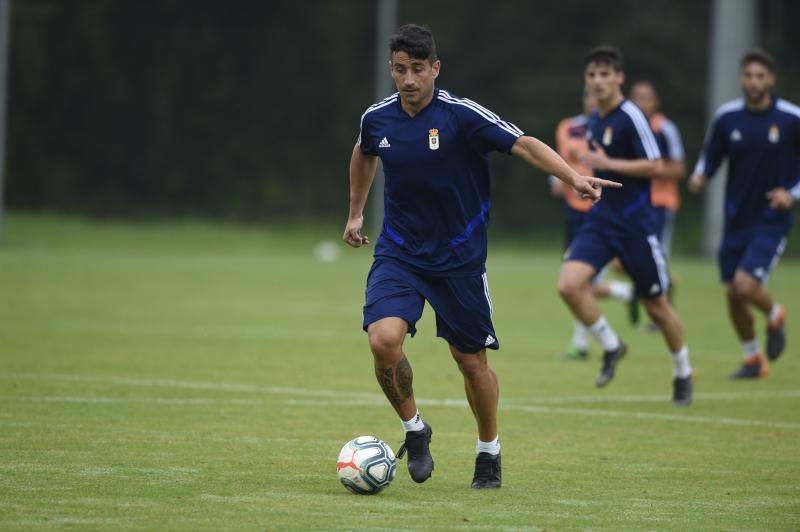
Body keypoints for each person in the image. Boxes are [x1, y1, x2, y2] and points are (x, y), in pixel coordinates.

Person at [342, 25, 620, 489]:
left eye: (416, 69)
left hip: (459, 261)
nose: (408, 80)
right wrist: (354, 214)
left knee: (470, 362)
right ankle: (415, 429)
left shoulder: (461, 116)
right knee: (382, 341)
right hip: (400, 254)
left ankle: (488, 450)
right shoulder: (379, 119)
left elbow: (525, 143)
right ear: (391, 69)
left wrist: (574, 177)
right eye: (399, 70)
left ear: (435, 69)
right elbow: (363, 152)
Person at [557, 46, 694, 406]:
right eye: (592, 75)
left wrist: (608, 162)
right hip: (601, 223)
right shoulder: (596, 120)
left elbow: (655, 165)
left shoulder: (631, 115)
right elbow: (604, 171)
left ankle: (683, 370)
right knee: (569, 285)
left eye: (605, 74)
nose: (598, 81)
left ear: (619, 78)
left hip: (636, 226)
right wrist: (590, 183)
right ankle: (612, 346)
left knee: (656, 307)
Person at [689, 48, 798, 379]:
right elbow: (711, 155)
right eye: (748, 76)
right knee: (733, 294)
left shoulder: (792, 118)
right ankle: (753, 359)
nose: (753, 82)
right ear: (741, 79)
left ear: (771, 80)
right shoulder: (727, 117)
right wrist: (700, 175)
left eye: (760, 76)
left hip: (771, 219)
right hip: (736, 217)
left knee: (745, 285)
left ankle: (775, 313)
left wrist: (791, 194)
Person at [550, 88, 638, 361]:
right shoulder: (568, 128)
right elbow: (560, 161)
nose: (593, 100)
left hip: (602, 212)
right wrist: (556, 180)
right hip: (574, 213)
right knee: (578, 283)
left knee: (578, 283)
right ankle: (630, 292)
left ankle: (582, 344)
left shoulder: (616, 127)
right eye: (588, 95)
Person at [630, 81, 686, 329]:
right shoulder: (626, 125)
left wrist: (649, 168)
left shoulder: (665, 128)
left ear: (656, 102)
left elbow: (679, 168)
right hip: (632, 204)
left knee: (658, 257)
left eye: (647, 98)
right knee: (627, 257)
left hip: (660, 203)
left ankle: (661, 313)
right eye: (637, 98)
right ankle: (637, 291)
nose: (642, 103)